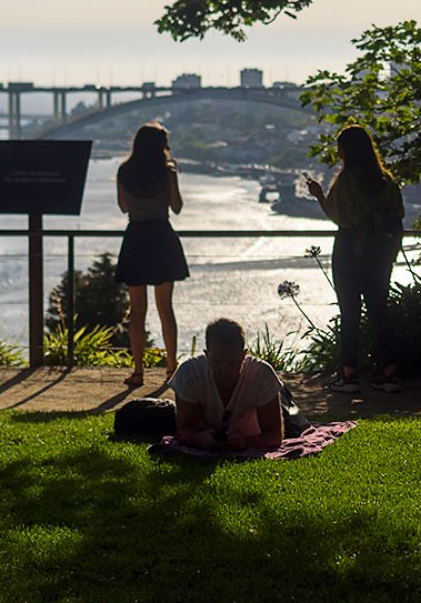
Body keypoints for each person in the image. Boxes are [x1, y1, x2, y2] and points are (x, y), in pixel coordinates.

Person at [306, 125, 405, 394]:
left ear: (347, 150)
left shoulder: (347, 180)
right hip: (380, 254)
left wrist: (319, 196)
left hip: (350, 250)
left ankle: (349, 375)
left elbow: (340, 216)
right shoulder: (386, 180)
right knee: (379, 312)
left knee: (350, 313)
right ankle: (390, 374)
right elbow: (398, 212)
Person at [114, 122, 188, 387]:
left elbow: (123, 207)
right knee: (165, 308)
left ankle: (138, 371)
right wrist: (173, 178)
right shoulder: (167, 171)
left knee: (137, 311)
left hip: (136, 237)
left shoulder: (125, 171)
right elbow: (177, 207)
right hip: (161, 237)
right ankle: (171, 369)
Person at [170, 318, 283, 451]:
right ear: (206, 355)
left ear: (243, 356)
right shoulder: (189, 375)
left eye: (231, 362)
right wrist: (197, 438)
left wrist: (247, 441)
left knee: (291, 419)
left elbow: (275, 435)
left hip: (253, 426)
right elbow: (184, 429)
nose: (224, 370)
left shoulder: (262, 376)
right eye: (217, 362)